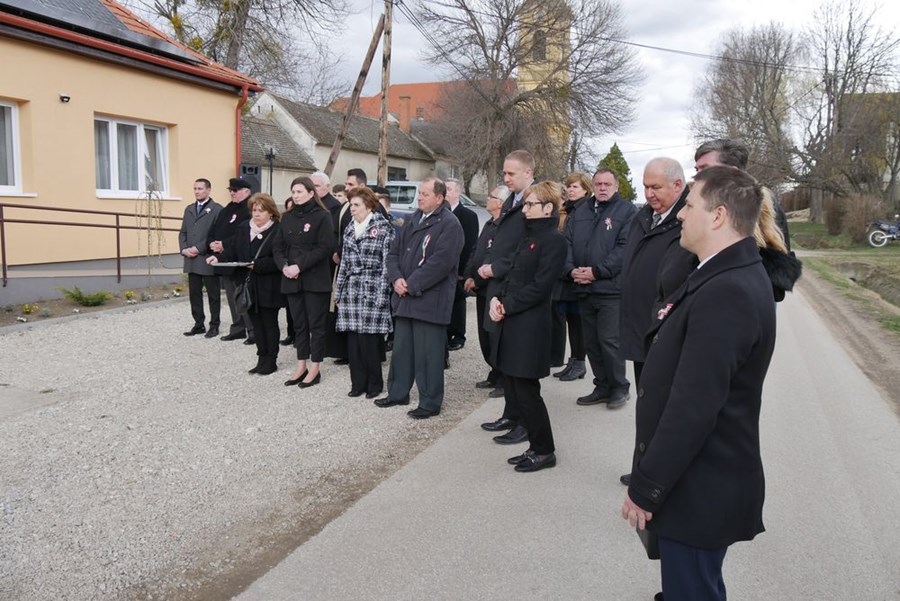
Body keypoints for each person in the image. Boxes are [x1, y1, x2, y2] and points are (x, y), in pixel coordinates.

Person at [622, 166, 777, 601]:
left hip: (699, 487)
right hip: (695, 481)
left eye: (689, 205)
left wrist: (646, 488)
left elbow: (693, 408)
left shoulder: (728, 289)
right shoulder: (718, 272)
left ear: (718, 216)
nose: (680, 215)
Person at [617, 159, 697, 488]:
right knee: (647, 403)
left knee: (665, 409)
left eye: (656, 187)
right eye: (645, 187)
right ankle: (644, 469)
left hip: (665, 332)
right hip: (641, 328)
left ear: (678, 185)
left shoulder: (688, 220)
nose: (649, 194)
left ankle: (660, 476)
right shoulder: (643, 217)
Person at [489, 181, 567, 472]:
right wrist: (498, 299)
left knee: (526, 391)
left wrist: (508, 305)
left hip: (530, 327)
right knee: (512, 384)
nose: (525, 209)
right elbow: (513, 274)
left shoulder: (554, 241)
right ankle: (534, 446)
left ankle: (545, 451)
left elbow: (540, 287)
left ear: (547, 208)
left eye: (531, 205)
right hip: (513, 321)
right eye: (525, 204)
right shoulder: (529, 236)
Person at [376, 177, 464, 419]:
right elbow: (393, 253)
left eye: (425, 194)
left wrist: (411, 284)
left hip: (430, 300)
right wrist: (396, 279)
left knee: (428, 355)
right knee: (402, 351)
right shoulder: (414, 218)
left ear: (439, 197)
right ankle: (397, 393)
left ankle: (430, 402)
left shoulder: (450, 224)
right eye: (420, 193)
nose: (419, 197)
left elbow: (441, 263)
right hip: (405, 297)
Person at [563, 168, 637, 409]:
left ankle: (619, 387)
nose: (602, 188)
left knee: (609, 341)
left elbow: (625, 248)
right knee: (592, 342)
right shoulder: (581, 210)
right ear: (593, 186)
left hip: (610, 290)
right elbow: (566, 243)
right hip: (583, 288)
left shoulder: (627, 211)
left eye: (607, 184)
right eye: (598, 184)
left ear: (616, 186)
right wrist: (571, 270)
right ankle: (602, 386)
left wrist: (597, 271)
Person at [693, 140, 801, 301]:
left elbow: (779, 282)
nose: (697, 176)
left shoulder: (766, 208)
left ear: (732, 171)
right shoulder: (696, 207)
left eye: (705, 169)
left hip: (749, 301)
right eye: (697, 169)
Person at [477, 150, 536, 443]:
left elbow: (528, 249)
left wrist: (496, 267)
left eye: (512, 173)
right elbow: (501, 242)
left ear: (528, 173)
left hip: (517, 289)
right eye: (505, 173)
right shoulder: (512, 201)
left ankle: (525, 422)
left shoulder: (534, 202)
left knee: (519, 364)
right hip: (499, 287)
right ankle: (511, 414)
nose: (506, 178)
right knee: (503, 356)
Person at [207, 193, 284, 375]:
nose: (256, 214)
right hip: (248, 284)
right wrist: (218, 258)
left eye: (261, 210)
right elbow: (233, 250)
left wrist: (258, 265)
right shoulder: (244, 228)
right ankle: (261, 358)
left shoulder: (278, 230)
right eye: (254, 210)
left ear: (271, 212)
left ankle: (271, 360)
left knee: (269, 323)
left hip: (268, 285)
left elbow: (279, 259)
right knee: (256, 324)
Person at [273, 176, 334, 389]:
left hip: (314, 279)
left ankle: (315, 367)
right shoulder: (287, 217)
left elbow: (325, 247)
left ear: (310, 193)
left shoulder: (322, 216)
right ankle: (301, 365)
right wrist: (284, 266)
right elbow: (277, 246)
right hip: (291, 279)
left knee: (316, 325)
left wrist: (298, 266)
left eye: (299, 192)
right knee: (299, 324)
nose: (296, 196)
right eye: (293, 192)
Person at [334, 187, 395, 398]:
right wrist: (339, 292)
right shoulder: (350, 228)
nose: (352, 208)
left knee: (368, 340)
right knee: (353, 342)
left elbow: (388, 264)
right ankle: (357, 384)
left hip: (373, 287)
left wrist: (383, 294)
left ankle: (374, 384)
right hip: (352, 289)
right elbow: (344, 264)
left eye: (356, 205)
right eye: (351, 204)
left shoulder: (384, 228)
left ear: (369, 206)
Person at [464, 185, 508, 403]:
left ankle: (503, 377)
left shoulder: (504, 226)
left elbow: (495, 257)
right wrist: (468, 275)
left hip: (493, 287)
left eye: (491, 196)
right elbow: (476, 251)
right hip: (480, 287)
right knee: (484, 334)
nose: (487, 199)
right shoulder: (489, 223)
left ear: (500, 202)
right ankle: (493, 372)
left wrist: (479, 279)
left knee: (494, 334)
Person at [551, 172, 591, 381]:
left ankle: (580, 362)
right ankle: (573, 360)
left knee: (578, 322)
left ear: (586, 189)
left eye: (576, 187)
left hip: (575, 272)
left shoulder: (585, 210)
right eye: (569, 186)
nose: (571, 190)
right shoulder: (569, 209)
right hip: (564, 271)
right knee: (570, 320)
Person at [208, 177, 253, 343]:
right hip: (225, 259)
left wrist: (224, 244)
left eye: (235, 190)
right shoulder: (227, 209)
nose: (232, 193)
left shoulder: (250, 208)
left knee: (244, 295)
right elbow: (214, 227)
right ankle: (238, 328)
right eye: (231, 190)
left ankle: (252, 330)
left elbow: (243, 234)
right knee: (231, 295)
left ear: (246, 191)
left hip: (240, 259)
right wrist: (211, 243)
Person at [179, 178, 222, 338]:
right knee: (194, 294)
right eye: (195, 188)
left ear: (208, 190)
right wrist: (184, 249)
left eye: (200, 188)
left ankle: (214, 325)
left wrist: (198, 248)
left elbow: (216, 234)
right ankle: (199, 324)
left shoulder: (217, 209)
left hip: (207, 258)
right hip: (191, 259)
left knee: (213, 295)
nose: (197, 191)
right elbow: (183, 232)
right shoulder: (189, 209)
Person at [445, 178, 479, 352]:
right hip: (443, 266)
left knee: (458, 301)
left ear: (458, 193)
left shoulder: (468, 216)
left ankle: (458, 335)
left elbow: (470, 244)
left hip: (458, 267)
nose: (446, 192)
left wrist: (463, 271)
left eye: (449, 189)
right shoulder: (440, 212)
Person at [280, 197, 296, 346]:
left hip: (298, 267)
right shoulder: (284, 223)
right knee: (289, 307)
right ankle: (291, 333)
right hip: (286, 267)